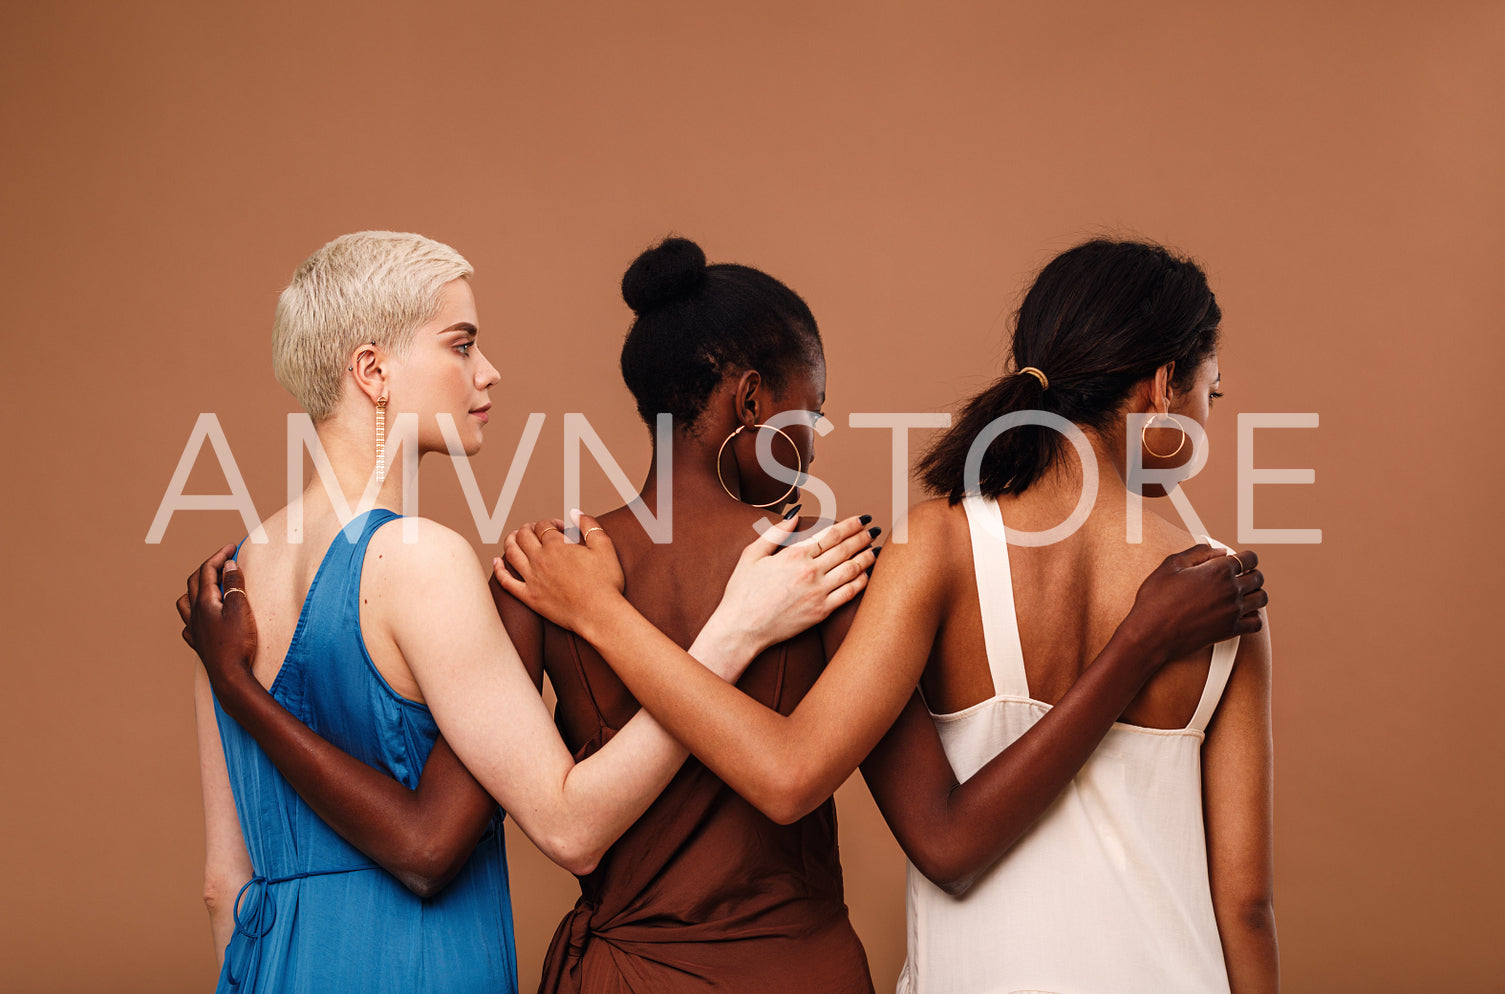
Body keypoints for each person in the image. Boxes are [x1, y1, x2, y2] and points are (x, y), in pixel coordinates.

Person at [498, 238, 1275, 992]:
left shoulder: (934, 545)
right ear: (1162, 384)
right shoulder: (1220, 590)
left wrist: (601, 612)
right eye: (1208, 392)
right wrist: (1135, 643)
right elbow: (1244, 905)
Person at [179, 231, 876, 994]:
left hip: (271, 965)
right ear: (372, 371)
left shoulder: (227, 584)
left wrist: (238, 690)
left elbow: (223, 882)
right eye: (461, 345)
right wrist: (731, 633)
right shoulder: (420, 558)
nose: (488, 371)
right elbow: (560, 826)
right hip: (410, 964)